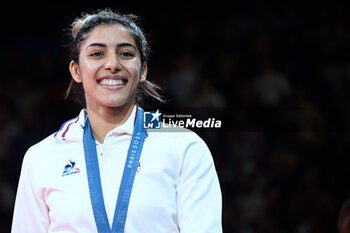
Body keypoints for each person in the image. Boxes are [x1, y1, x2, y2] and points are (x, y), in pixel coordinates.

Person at [11, 9, 222, 233]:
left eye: (126, 54)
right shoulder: (41, 157)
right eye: (97, 54)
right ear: (76, 71)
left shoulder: (185, 148)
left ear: (142, 71)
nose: (113, 64)